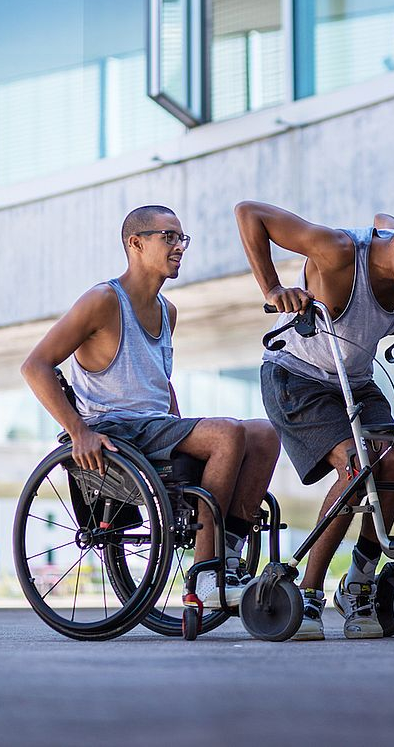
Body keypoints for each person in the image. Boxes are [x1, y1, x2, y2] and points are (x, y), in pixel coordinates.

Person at [21, 205, 280, 611]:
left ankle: (227, 554)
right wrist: (79, 432)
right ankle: (205, 576)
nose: (180, 247)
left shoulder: (167, 311)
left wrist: (186, 428)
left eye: (182, 238)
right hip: (115, 428)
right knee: (227, 432)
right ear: (136, 244)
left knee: (264, 433)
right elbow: (35, 365)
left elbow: (159, 381)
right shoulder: (103, 300)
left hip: (155, 427)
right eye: (169, 237)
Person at [235, 201, 394, 639]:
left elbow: (384, 221)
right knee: (357, 467)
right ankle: (309, 593)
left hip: (353, 380)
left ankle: (358, 582)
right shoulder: (337, 252)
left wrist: (392, 234)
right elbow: (248, 214)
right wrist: (273, 287)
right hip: (296, 376)